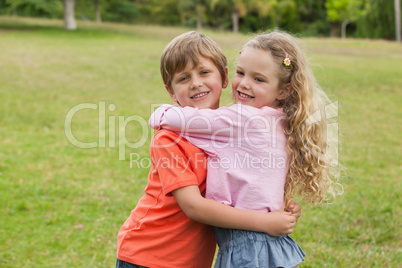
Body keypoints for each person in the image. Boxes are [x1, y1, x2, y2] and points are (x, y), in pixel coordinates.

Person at [150, 31, 342, 267]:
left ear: (283, 90)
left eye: (259, 79)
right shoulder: (282, 121)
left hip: (247, 244)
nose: (244, 83)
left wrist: (159, 113)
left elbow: (181, 121)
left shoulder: (243, 119)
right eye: (241, 73)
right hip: (268, 243)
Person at [117, 31, 302, 268]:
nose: (195, 83)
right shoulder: (169, 139)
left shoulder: (231, 130)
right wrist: (265, 222)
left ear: (224, 77)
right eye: (183, 78)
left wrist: (280, 209)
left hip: (192, 260)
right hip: (150, 253)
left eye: (204, 72)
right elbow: (194, 206)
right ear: (171, 92)